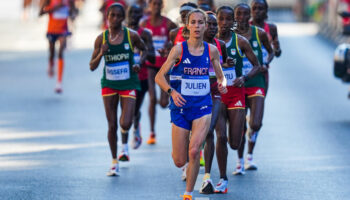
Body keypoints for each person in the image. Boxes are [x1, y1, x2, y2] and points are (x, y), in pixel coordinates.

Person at [155, 9, 227, 200]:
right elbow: (159, 77)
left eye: (200, 22)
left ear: (205, 26)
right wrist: (172, 91)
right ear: (187, 25)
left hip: (203, 106)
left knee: (195, 151)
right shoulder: (178, 49)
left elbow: (221, 76)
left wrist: (222, 84)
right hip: (180, 107)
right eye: (193, 22)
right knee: (179, 160)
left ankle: (188, 194)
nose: (197, 26)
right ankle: (185, 156)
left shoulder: (212, 51)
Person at [89, 3, 147, 176]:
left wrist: (138, 63)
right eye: (112, 15)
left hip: (129, 82)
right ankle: (114, 161)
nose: (115, 19)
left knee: (125, 122)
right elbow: (92, 66)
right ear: (107, 16)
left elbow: (144, 50)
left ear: (123, 18)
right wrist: (101, 53)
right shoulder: (101, 39)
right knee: (112, 124)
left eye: (118, 16)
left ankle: (125, 145)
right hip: (109, 84)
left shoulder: (132, 36)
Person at [212, 6, 262, 193]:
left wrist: (244, 78)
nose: (224, 23)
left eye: (228, 19)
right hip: (217, 95)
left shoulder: (240, 42)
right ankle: (223, 178)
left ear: (233, 21)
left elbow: (258, 65)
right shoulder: (208, 42)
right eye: (220, 19)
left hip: (235, 95)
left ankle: (241, 147)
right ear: (216, 20)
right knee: (221, 136)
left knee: (234, 142)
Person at [233, 3, 274, 175]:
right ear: (235, 17)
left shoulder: (260, 33)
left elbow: (270, 52)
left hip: (256, 80)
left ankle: (250, 153)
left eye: (245, 14)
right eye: (239, 14)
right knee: (240, 125)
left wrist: (265, 63)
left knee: (255, 123)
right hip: (238, 84)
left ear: (249, 16)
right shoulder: (229, 36)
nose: (242, 17)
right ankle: (241, 160)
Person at [140, 0, 177, 145]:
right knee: (152, 98)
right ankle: (152, 132)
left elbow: (176, 41)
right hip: (150, 65)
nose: (156, 7)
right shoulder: (144, 24)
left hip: (165, 67)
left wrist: (168, 48)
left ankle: (162, 101)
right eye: (153, 4)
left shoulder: (168, 24)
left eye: (158, 4)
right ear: (149, 5)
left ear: (162, 6)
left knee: (162, 103)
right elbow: (139, 42)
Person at [199, 11, 228, 194]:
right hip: (197, 94)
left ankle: (222, 178)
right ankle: (207, 177)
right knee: (204, 134)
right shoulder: (191, 47)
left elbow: (222, 70)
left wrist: (222, 79)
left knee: (211, 131)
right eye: (208, 24)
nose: (211, 28)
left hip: (215, 93)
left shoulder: (220, 45)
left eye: (214, 24)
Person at [126, 4, 155, 151]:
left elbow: (153, 58)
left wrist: (142, 54)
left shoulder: (145, 34)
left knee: (135, 109)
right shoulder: (120, 32)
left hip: (141, 77)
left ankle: (136, 127)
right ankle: (125, 145)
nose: (133, 15)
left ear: (141, 15)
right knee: (126, 111)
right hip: (124, 78)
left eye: (137, 13)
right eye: (131, 12)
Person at [39, 0, 76, 93]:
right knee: (52, 52)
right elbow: (40, 13)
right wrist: (55, 7)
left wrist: (72, 13)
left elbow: (73, 12)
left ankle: (59, 83)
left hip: (63, 31)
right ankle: (51, 63)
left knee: (60, 53)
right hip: (51, 30)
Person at [251, 0, 281, 94]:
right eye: (254, 8)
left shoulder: (271, 28)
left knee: (259, 104)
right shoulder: (245, 27)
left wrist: (277, 48)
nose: (257, 11)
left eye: (260, 8)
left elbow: (277, 53)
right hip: (246, 72)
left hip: (262, 72)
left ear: (266, 11)